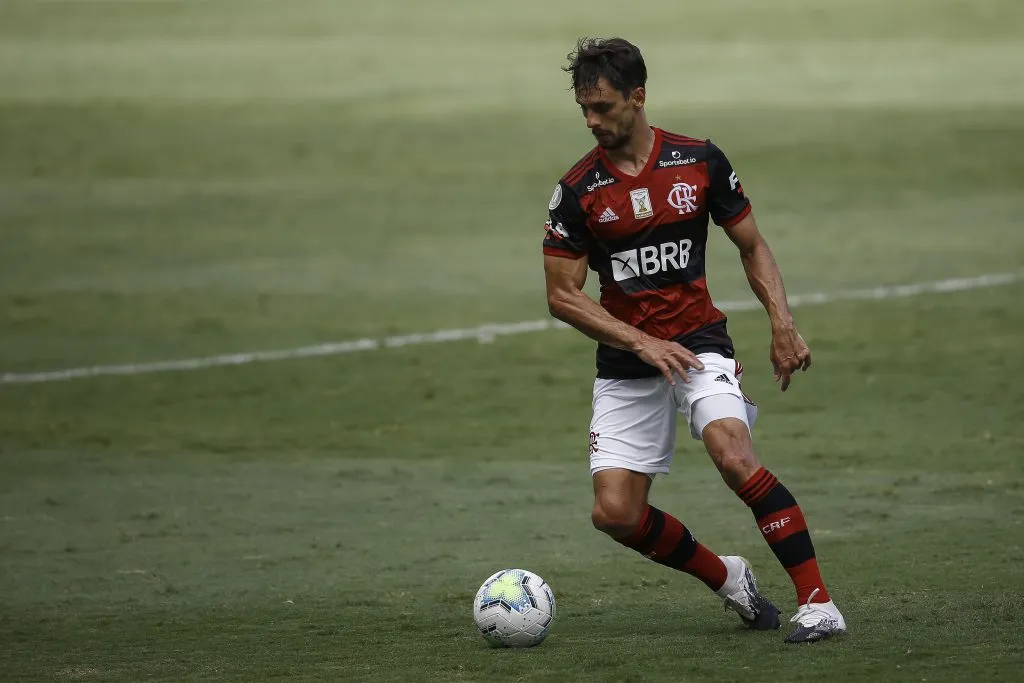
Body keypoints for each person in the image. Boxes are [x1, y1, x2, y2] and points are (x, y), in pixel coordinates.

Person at [542, 37, 846, 643]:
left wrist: (782, 323)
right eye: (584, 109)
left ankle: (818, 602)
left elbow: (751, 244)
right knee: (616, 514)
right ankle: (728, 577)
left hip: (699, 339)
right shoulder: (577, 191)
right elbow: (563, 295)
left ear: (639, 97)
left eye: (602, 107)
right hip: (629, 358)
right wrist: (639, 343)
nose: (591, 121)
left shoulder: (698, 161)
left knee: (733, 454)